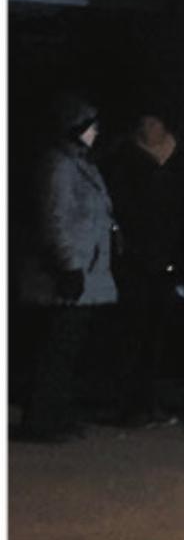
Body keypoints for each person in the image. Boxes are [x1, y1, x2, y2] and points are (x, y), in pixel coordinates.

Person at [18, 94, 117, 443]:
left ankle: (56, 415)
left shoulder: (81, 164)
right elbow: (55, 218)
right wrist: (69, 266)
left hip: (84, 273)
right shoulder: (58, 165)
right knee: (53, 350)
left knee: (68, 349)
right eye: (92, 126)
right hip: (65, 275)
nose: (97, 132)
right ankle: (40, 419)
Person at [102, 114, 184, 428]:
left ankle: (146, 401)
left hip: (163, 259)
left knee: (154, 336)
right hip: (135, 259)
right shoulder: (124, 159)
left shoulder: (175, 159)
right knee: (133, 333)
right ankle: (129, 405)